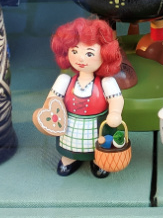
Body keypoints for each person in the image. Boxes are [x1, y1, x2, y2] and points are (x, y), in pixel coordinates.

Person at [45, 18, 124, 178]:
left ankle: (98, 160)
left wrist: (114, 113)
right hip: (70, 123)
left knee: (100, 144)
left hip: (97, 123)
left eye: (89, 53)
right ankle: (69, 159)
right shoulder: (65, 80)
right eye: (74, 51)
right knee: (69, 145)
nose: (80, 58)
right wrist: (49, 110)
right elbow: (52, 99)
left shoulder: (107, 83)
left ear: (104, 55)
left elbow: (116, 99)